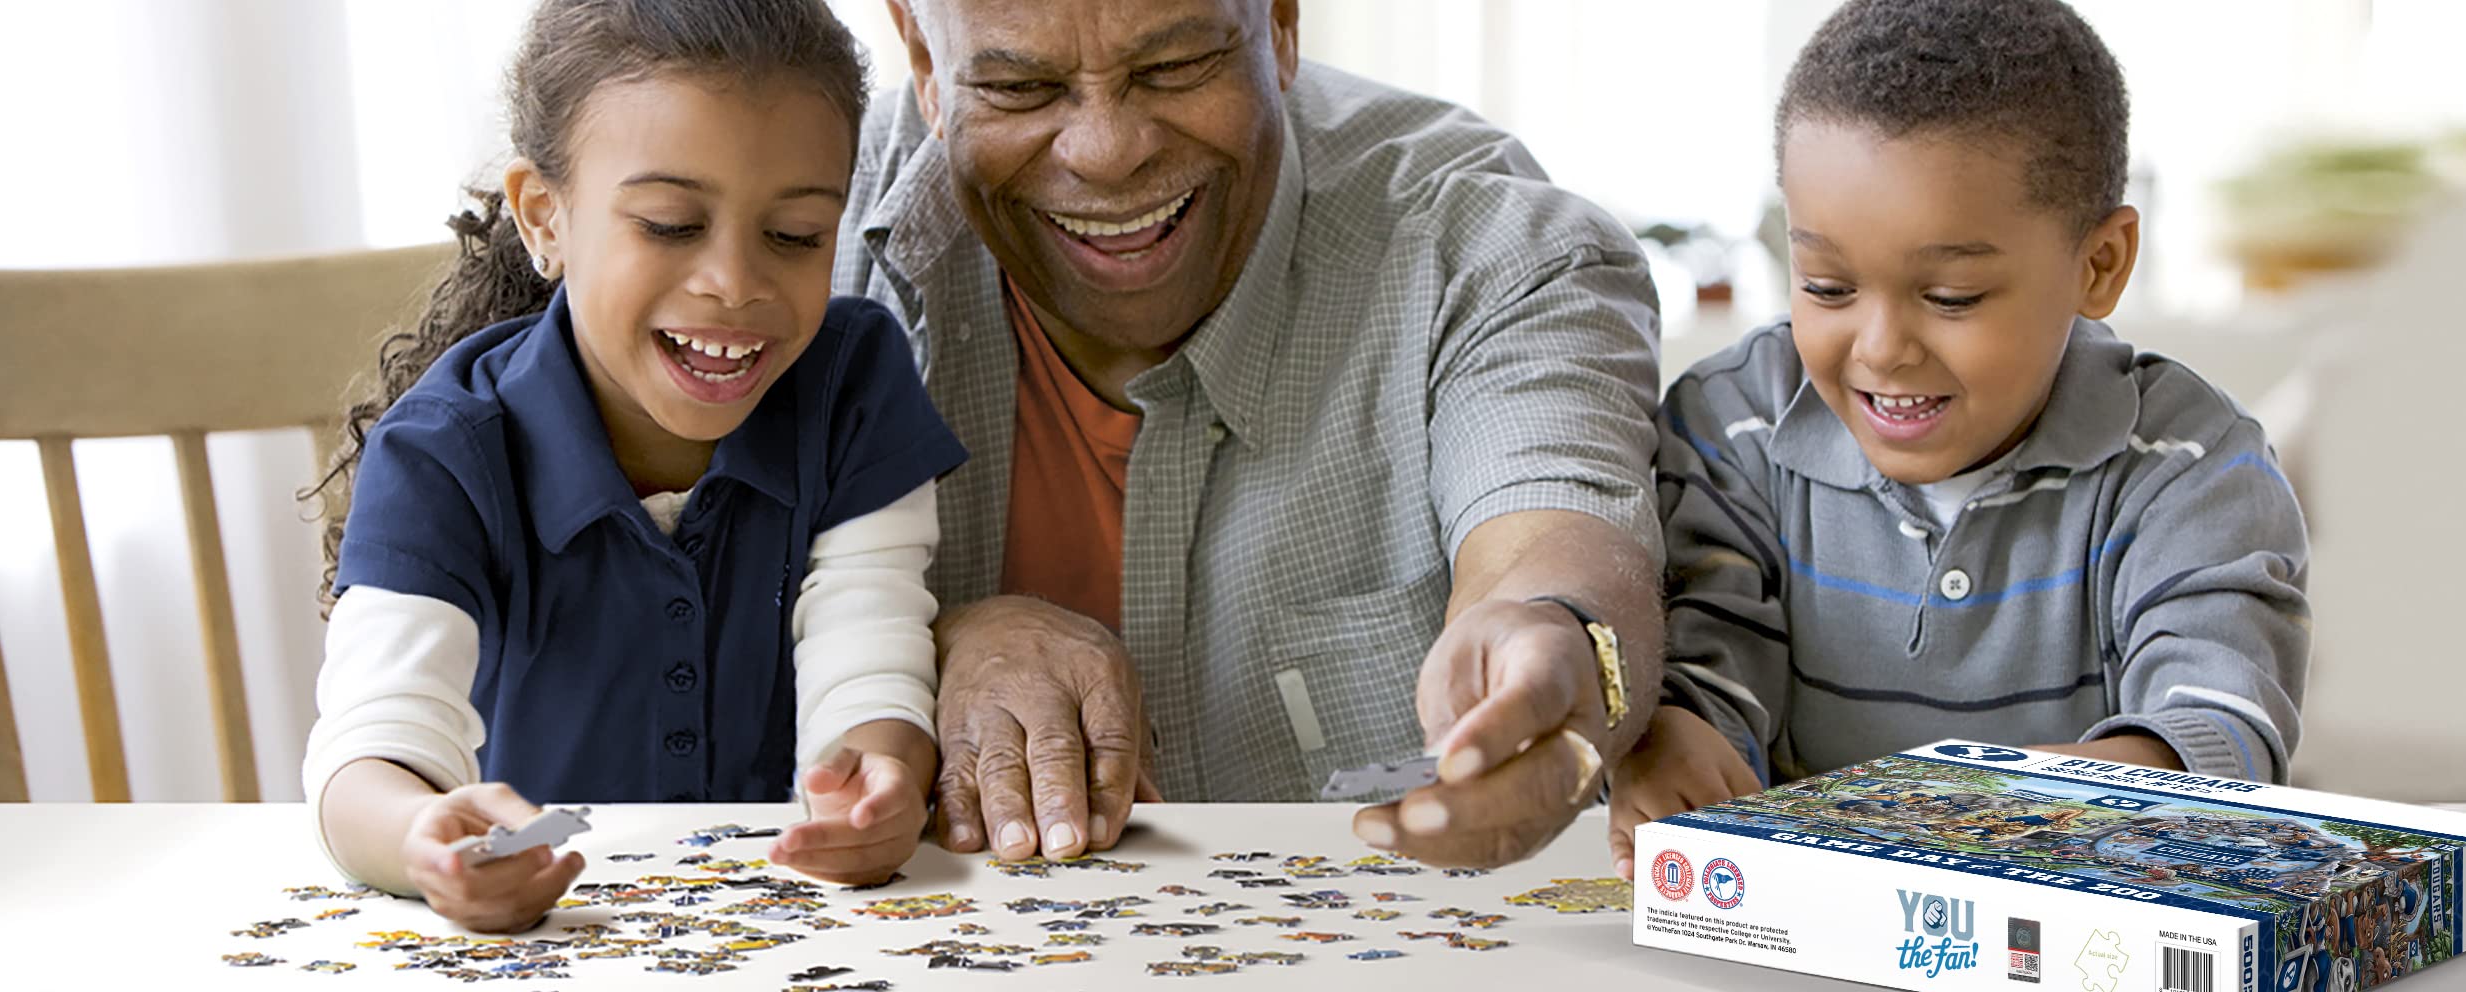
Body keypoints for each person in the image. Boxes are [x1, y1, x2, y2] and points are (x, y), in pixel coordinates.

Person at [839, 0, 1666, 869]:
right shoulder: (779, 223)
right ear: (924, 61)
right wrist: (921, 642)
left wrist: (1560, 644)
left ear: (1279, 23)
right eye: (1018, 86)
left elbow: (1551, 539)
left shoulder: (1486, 244)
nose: (1107, 151)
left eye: (1175, 67)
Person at [298, 0, 966, 932]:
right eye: (667, 223)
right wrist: (421, 836)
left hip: (797, 929)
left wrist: (878, 777)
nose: (734, 281)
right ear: (545, 217)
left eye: (797, 235)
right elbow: (369, 750)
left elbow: (869, 648)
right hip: (549, 939)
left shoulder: (854, 384)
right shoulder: (443, 451)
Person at [1609, 0, 2310, 879]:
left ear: (2099, 265)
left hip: (2077, 919)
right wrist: (1674, 734)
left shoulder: (2190, 465)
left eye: (1951, 298)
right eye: (1826, 286)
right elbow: (1710, 650)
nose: (1880, 348)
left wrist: (2097, 788)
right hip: (1792, 929)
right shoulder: (1731, 425)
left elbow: (2217, 714)